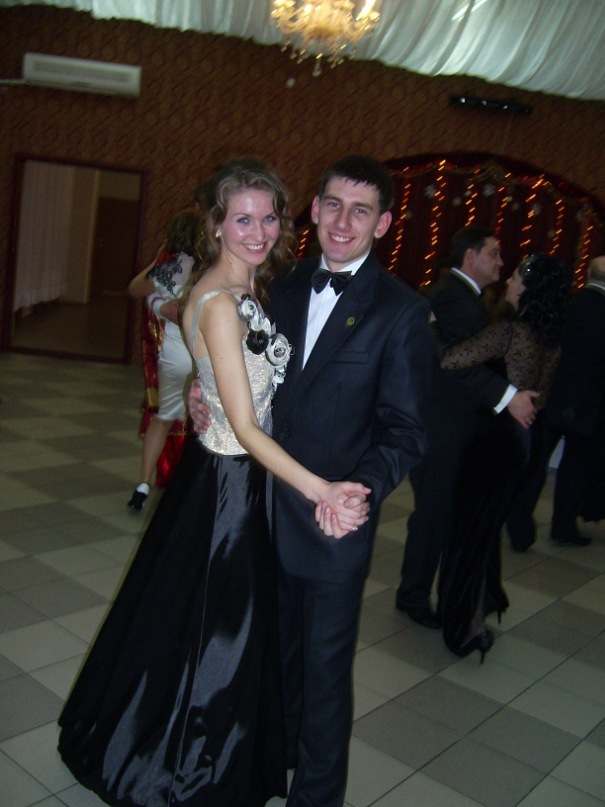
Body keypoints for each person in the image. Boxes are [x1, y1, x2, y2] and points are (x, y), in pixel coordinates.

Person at [58, 160, 370, 807]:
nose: (258, 232)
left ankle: (211, 745)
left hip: (238, 477)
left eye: (268, 218)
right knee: (219, 627)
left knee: (202, 620)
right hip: (230, 484)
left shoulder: (253, 286)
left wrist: (204, 386)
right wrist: (321, 489)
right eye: (242, 220)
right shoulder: (221, 300)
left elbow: (235, 379)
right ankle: (186, 762)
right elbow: (247, 428)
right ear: (217, 226)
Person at [190, 154, 434, 806]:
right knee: (274, 655)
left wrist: (358, 491)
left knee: (325, 673)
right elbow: (240, 362)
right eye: (332, 204)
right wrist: (202, 388)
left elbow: (407, 430)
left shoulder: (401, 311)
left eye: (360, 210)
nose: (342, 222)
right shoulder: (284, 281)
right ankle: (276, 762)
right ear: (315, 208)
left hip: (333, 519)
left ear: (383, 223)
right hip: (260, 509)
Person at [395, 227, 538, 629]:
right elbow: (458, 363)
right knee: (433, 515)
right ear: (470, 256)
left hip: (453, 424)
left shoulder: (466, 297)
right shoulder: (450, 297)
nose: (501, 262)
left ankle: (425, 592)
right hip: (441, 426)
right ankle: (413, 596)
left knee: (442, 513)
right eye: (494, 253)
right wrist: (508, 396)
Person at [438, 252, 571, 659]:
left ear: (530, 290)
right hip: (522, 445)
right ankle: (478, 614)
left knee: (470, 537)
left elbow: (450, 360)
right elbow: (538, 400)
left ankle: (467, 627)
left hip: (493, 446)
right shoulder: (550, 339)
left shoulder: (509, 331)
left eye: (516, 278)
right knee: (485, 533)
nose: (509, 283)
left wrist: (430, 327)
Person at [126, 209, 200, 510]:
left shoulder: (168, 270)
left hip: (173, 353)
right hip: (202, 352)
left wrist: (157, 261)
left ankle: (143, 484)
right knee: (201, 420)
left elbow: (135, 288)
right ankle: (191, 487)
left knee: (163, 417)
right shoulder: (210, 270)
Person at [547, 255, 605, 543]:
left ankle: (517, 523)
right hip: (590, 405)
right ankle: (563, 526)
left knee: (536, 463)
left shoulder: (569, 302)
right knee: (574, 467)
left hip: (556, 395)